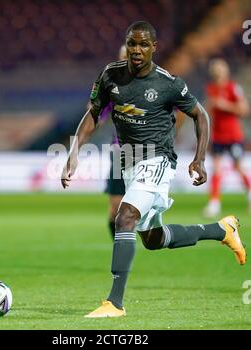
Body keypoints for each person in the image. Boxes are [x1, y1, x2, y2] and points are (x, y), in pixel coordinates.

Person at [61, 21, 246, 318]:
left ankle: (114, 303)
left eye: (143, 44)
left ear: (153, 48)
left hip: (158, 159)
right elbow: (94, 113)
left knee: (125, 217)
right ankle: (222, 230)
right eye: (132, 43)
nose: (136, 50)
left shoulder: (168, 83)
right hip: (129, 161)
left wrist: (198, 159)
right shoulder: (111, 75)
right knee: (153, 239)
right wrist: (74, 152)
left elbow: (200, 116)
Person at [203, 58, 250, 218]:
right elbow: (210, 111)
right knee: (215, 168)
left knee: (238, 167)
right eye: (214, 69)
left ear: (225, 71)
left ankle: (249, 193)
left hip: (233, 135)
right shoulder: (210, 88)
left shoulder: (233, 88)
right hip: (218, 135)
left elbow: (244, 109)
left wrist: (225, 105)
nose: (216, 72)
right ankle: (214, 203)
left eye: (219, 69)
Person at [100, 45, 126, 240]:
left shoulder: (153, 84)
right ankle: (119, 244)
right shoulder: (112, 87)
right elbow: (99, 114)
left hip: (146, 151)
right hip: (119, 150)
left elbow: (178, 109)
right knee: (116, 206)